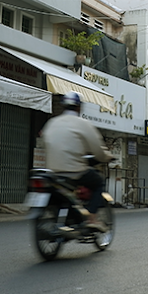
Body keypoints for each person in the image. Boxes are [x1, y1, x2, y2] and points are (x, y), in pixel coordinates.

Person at [41, 91, 113, 230]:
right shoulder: (83, 124)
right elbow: (98, 149)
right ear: (79, 107)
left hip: (53, 172)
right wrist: (107, 157)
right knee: (98, 182)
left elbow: (45, 142)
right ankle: (92, 218)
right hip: (74, 171)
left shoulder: (51, 123)